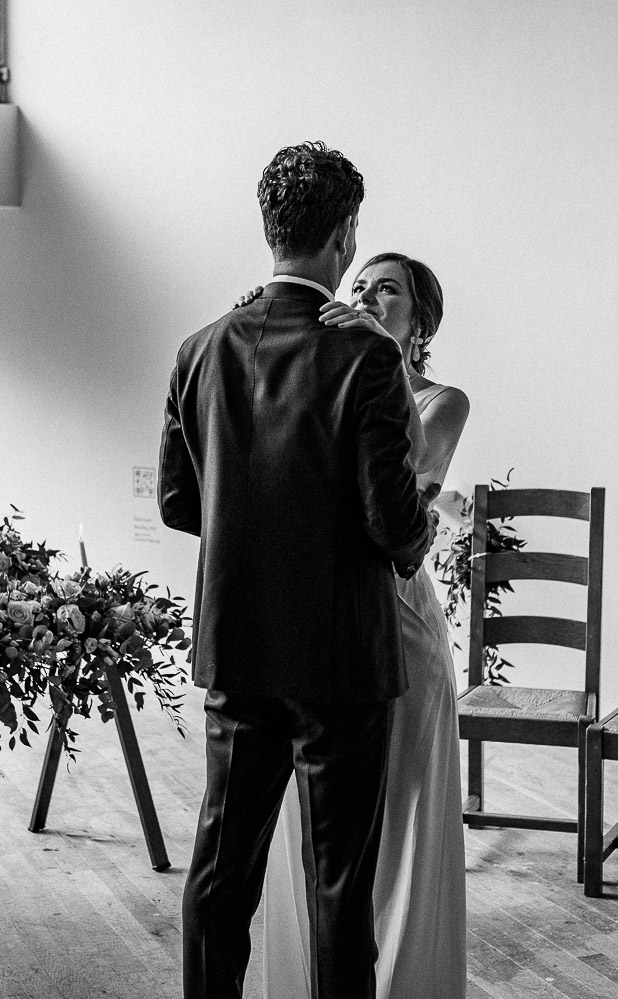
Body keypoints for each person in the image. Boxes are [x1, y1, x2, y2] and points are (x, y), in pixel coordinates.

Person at [159, 142, 433, 999]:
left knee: (219, 875)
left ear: (270, 228)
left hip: (238, 649)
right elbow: (394, 522)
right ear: (344, 234)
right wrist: (420, 537)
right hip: (342, 662)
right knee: (339, 889)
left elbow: (177, 502)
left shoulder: (199, 349)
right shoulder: (366, 356)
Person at [259, 253, 470, 998]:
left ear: (420, 321)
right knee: (323, 821)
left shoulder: (446, 400)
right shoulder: (332, 381)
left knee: (403, 809)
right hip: (326, 618)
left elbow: (409, 471)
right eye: (361, 286)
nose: (369, 297)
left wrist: (377, 355)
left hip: (403, 620)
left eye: (388, 290)